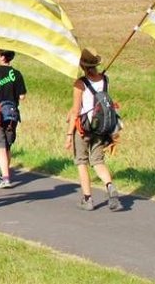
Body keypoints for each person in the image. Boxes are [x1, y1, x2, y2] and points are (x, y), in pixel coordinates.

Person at [66, 48, 121, 212]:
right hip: (101, 127)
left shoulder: (79, 84)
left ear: (82, 66)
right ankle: (110, 186)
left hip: (84, 127)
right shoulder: (105, 79)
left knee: (82, 162)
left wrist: (69, 134)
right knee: (98, 161)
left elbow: (76, 110)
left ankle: (88, 198)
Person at [0, 50, 26, 189]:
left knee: (0, 145)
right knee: (8, 145)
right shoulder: (17, 74)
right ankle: (4, 171)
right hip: (12, 113)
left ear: (2, 57)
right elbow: (22, 96)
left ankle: (5, 178)